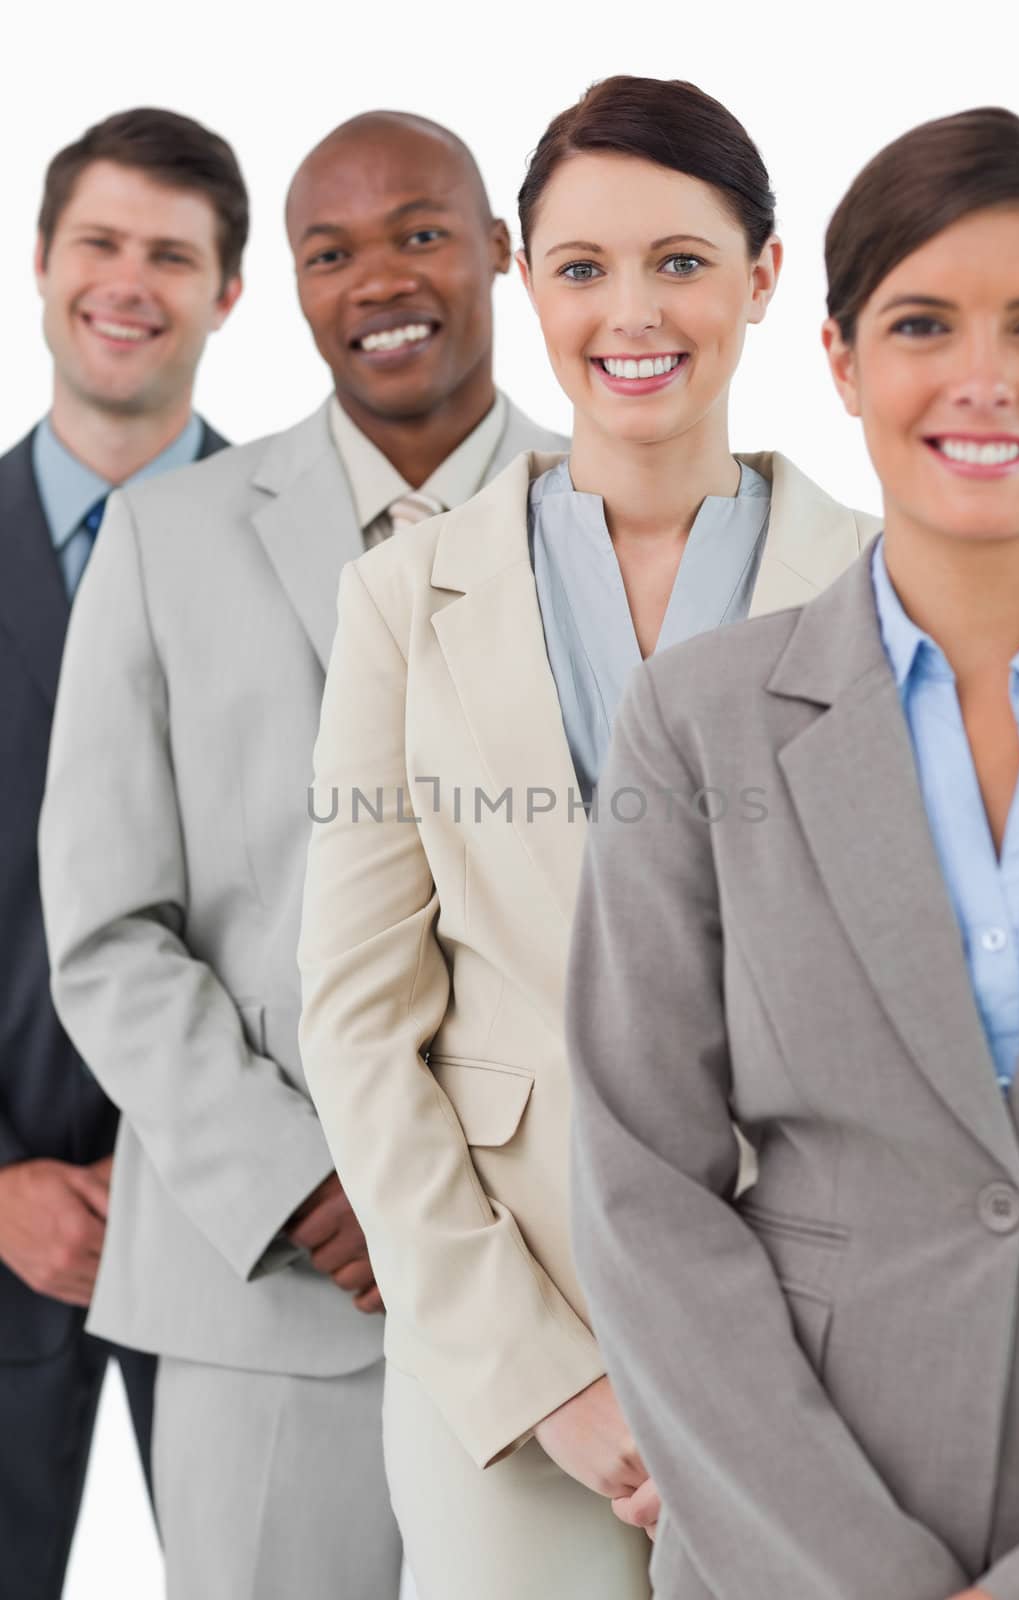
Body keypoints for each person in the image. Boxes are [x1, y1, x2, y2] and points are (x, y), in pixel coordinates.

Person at [296, 75, 877, 1600]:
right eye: (580, 268)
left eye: (681, 262)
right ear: (522, 280)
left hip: (826, 1349)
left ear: (762, 277)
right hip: (508, 1335)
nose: (631, 311)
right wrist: (538, 1373)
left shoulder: (888, 596)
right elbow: (360, 1025)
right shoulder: (407, 602)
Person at [39, 110, 563, 1600]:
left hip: (565, 1285)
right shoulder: (166, 539)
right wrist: (305, 1186)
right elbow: (106, 928)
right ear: (293, 284)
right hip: (273, 1302)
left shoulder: (613, 514)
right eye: (332, 250)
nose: (379, 279)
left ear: (499, 255)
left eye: (420, 232)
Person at [565, 104, 1019, 1600]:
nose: (984, 379)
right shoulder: (702, 717)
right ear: (843, 361)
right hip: (786, 1543)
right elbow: (640, 1185)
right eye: (924, 321)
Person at [0, 106, 243, 1600]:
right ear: (39, 265)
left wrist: (250, 1172)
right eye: (101, 241)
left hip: (252, 1235)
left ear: (230, 294)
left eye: (174, 252)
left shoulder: (336, 557)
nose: (130, 280)